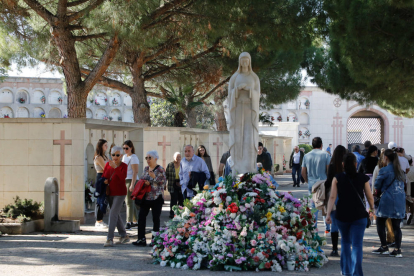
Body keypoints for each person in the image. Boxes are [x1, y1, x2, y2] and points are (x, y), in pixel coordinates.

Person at [326, 153, 374, 276]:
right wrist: (372, 210)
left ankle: (346, 271)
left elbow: (332, 197)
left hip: (342, 215)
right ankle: (357, 273)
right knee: (357, 245)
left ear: (343, 165)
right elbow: (369, 197)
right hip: (359, 215)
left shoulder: (337, 178)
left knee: (345, 243)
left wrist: (327, 214)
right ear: (355, 164)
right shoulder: (363, 178)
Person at [372, 149, 406, 257]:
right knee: (396, 225)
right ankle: (397, 249)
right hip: (400, 199)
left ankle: (384, 246)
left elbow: (377, 185)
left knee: (380, 222)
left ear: (386, 158)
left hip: (387, 199)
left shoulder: (384, 170)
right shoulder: (401, 171)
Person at [133, 150, 166, 246]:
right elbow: (142, 178)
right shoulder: (146, 168)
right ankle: (141, 239)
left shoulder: (160, 169)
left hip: (156, 197)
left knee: (156, 219)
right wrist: (145, 182)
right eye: (146, 158)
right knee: (141, 217)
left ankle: (155, 240)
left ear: (155, 158)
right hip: (146, 197)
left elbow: (163, 183)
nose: (148, 160)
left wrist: (154, 177)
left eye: (149, 158)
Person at [302, 137, 331, 230]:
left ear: (312, 145)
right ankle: (327, 228)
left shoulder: (306, 156)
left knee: (313, 207)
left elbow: (303, 172)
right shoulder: (326, 155)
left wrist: (307, 180)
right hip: (323, 183)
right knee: (324, 205)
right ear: (321, 145)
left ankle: (314, 228)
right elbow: (328, 170)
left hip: (312, 184)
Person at [102, 146, 129, 247]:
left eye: (117, 155)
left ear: (121, 155)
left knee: (113, 213)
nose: (115, 157)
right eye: (113, 155)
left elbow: (122, 177)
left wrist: (116, 168)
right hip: (110, 193)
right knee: (115, 214)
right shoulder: (107, 165)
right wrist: (106, 180)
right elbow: (104, 176)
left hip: (120, 193)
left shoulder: (124, 166)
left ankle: (109, 238)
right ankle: (124, 235)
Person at [325, 145, 348, 257]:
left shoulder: (332, 165)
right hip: (345, 195)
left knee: (334, 222)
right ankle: (345, 247)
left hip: (334, 195)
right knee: (345, 221)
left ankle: (334, 249)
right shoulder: (346, 166)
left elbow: (329, 180)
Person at [122, 140, 139, 230]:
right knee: (129, 201)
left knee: (129, 202)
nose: (125, 150)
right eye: (124, 148)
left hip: (131, 180)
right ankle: (135, 220)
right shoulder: (124, 157)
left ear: (131, 148)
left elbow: (135, 172)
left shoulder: (133, 157)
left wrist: (132, 184)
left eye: (127, 148)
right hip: (125, 179)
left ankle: (129, 222)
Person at [94, 139, 109, 228]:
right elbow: (106, 168)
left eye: (107, 145)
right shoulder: (99, 157)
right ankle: (98, 221)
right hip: (101, 177)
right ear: (100, 146)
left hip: (105, 177)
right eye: (105, 145)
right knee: (100, 199)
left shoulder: (105, 156)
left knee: (104, 199)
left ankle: (101, 220)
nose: (106, 147)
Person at [166, 152, 183, 219]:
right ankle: (172, 213)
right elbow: (166, 175)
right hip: (172, 183)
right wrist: (165, 184)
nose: (178, 158)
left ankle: (180, 213)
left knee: (181, 199)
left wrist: (182, 182)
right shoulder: (170, 165)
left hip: (181, 184)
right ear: (174, 157)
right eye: (177, 157)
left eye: (179, 157)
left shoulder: (183, 165)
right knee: (174, 199)